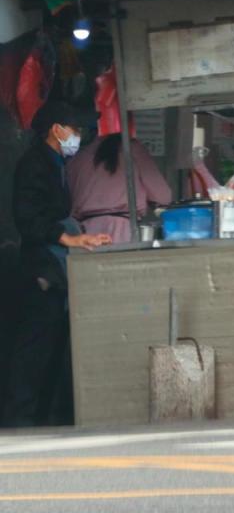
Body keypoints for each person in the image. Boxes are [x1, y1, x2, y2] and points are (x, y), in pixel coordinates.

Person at [6, 101, 111, 426]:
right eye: (75, 129)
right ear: (56, 129)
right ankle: (18, 421)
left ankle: (40, 418)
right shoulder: (34, 165)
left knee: (51, 349)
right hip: (40, 270)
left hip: (54, 268)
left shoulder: (55, 163)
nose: (78, 137)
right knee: (34, 351)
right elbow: (29, 219)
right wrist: (70, 239)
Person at [67, 133, 172, 243]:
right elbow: (162, 197)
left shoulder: (78, 155)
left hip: (86, 232)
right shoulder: (132, 148)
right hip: (123, 229)